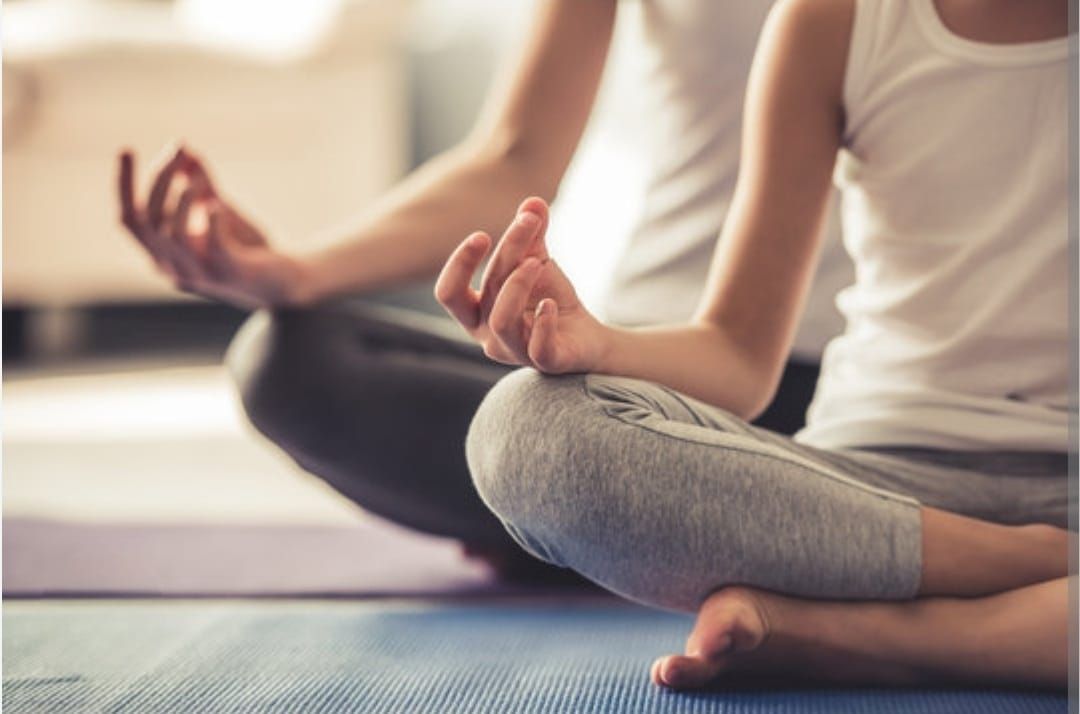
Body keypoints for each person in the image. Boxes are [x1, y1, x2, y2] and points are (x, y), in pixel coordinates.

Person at [435, 0, 1073, 689]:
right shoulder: (833, 22)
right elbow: (737, 357)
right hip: (867, 487)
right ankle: (1033, 571)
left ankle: (869, 636)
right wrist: (595, 342)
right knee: (527, 431)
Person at [116, 2, 852, 577]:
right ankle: (612, 534)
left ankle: (589, 537)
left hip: (830, 391)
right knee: (290, 359)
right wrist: (294, 272)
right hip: (629, 367)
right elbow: (516, 155)